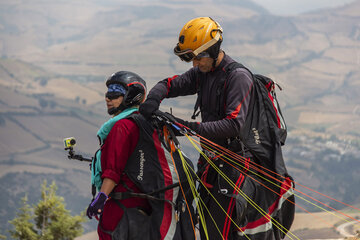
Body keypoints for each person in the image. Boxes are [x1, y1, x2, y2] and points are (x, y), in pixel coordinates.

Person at [139, 17, 282, 239]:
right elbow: (169, 84)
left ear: (213, 50)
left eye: (198, 58)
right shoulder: (203, 72)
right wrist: (153, 100)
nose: (195, 64)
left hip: (235, 169)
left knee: (218, 234)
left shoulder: (238, 77)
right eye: (192, 59)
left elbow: (233, 125)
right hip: (211, 163)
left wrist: (186, 126)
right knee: (205, 228)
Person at [86, 71, 195, 240]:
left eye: (115, 93)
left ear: (132, 96)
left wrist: (101, 198)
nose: (108, 98)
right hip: (144, 211)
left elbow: (113, 172)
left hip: (120, 211)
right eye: (108, 93)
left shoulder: (123, 127)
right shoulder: (146, 123)